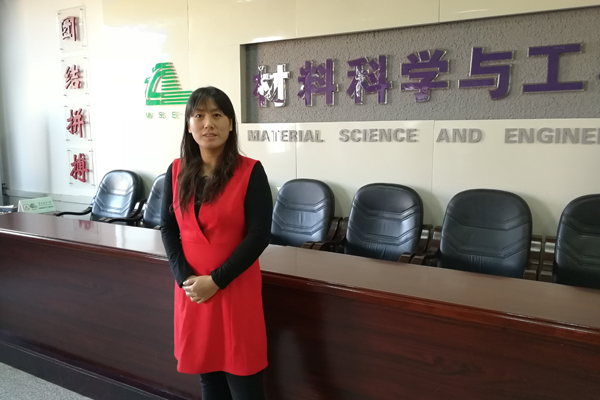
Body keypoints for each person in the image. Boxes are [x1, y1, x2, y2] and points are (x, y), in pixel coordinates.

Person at [160, 86, 272, 400]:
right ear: (189, 125)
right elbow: (168, 227)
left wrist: (217, 280)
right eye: (199, 115)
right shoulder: (176, 171)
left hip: (234, 288)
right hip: (194, 291)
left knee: (245, 381)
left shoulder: (250, 172)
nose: (208, 123)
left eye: (217, 115)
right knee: (209, 382)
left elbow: (260, 235)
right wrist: (184, 278)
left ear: (231, 123)